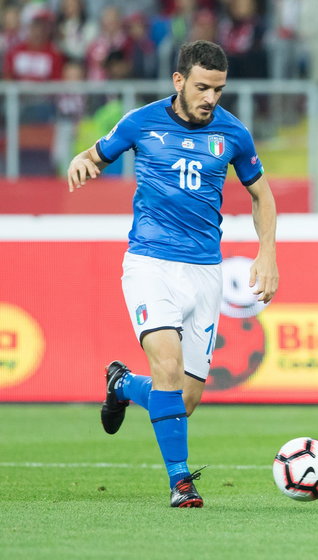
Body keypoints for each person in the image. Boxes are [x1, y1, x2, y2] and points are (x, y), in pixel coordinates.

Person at [66, 40, 278, 508]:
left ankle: (121, 384)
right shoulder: (140, 122)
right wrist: (81, 161)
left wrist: (267, 253)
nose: (210, 98)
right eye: (202, 87)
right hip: (150, 264)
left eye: (219, 90)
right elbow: (96, 155)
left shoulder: (234, 134)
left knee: (184, 399)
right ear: (178, 81)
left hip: (205, 272)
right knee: (165, 366)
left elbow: (262, 195)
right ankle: (181, 482)